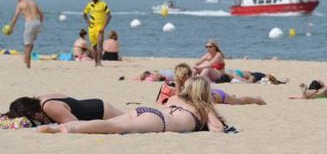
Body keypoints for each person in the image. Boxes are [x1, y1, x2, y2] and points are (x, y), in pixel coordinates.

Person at [38, 77, 225, 134]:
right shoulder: (204, 108)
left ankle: (66, 126)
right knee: (113, 127)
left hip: (145, 111)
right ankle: (66, 130)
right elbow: (218, 130)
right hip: (159, 121)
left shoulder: (177, 99)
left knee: (112, 124)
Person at [173, 63, 266, 105]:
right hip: (213, 95)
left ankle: (257, 99)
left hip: (218, 96)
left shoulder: (191, 83)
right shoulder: (185, 83)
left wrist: (177, 84)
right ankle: (232, 96)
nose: (177, 78)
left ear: (184, 75)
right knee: (235, 99)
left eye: (179, 76)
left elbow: (180, 96)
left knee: (239, 101)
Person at [3, 93, 124, 125]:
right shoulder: (40, 100)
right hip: (93, 104)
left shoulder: (50, 107)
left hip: (100, 111)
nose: (35, 118)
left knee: (134, 117)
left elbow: (75, 124)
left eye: (33, 115)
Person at [8, 0, 44, 69]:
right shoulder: (33, 2)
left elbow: (16, 17)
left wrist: (11, 26)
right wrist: (39, 24)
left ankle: (27, 64)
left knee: (27, 45)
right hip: (37, 22)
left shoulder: (20, 4)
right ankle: (27, 60)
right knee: (31, 43)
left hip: (30, 23)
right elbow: (41, 14)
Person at [83, 0, 112, 67]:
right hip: (91, 28)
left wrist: (104, 26)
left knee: (99, 44)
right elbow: (84, 14)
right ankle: (96, 63)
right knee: (94, 46)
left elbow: (109, 15)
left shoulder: (103, 4)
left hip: (100, 27)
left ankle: (99, 62)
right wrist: (88, 21)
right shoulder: (89, 5)